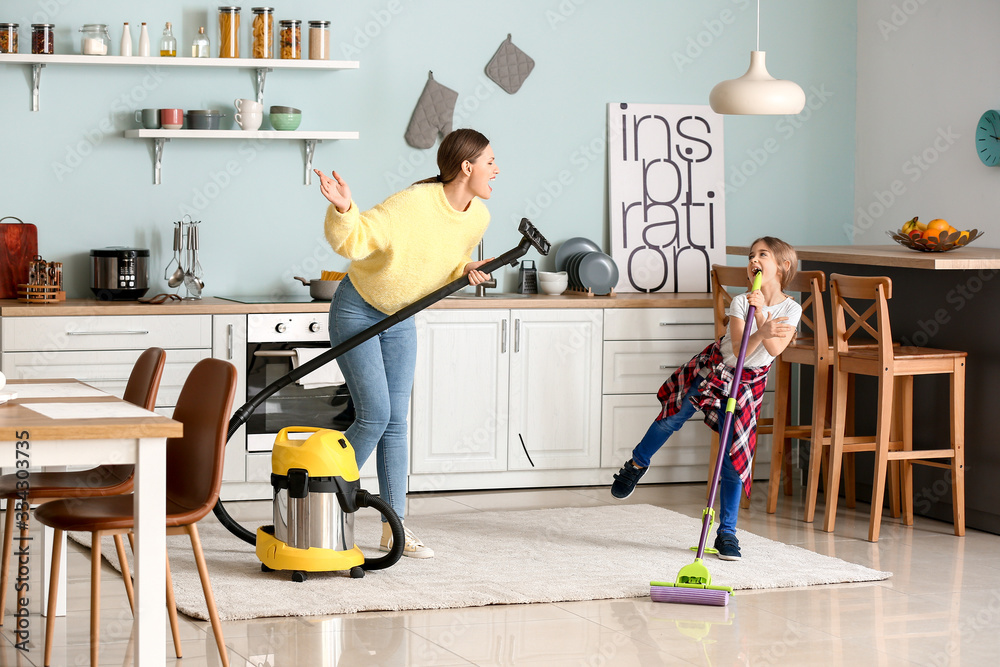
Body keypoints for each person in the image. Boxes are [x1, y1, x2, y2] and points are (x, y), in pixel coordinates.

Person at [314, 129, 499, 558]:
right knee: (375, 415)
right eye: (490, 162)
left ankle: (393, 528)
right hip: (358, 309)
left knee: (396, 422)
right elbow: (355, 240)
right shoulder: (412, 204)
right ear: (467, 167)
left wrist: (466, 267)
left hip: (400, 317)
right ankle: (323, 501)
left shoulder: (479, 217)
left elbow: (440, 261)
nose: (497, 170)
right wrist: (344, 207)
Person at [610, 237, 801, 561]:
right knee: (673, 416)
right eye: (751, 255)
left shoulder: (791, 308)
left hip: (747, 384)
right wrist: (757, 321)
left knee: (733, 456)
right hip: (716, 368)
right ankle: (636, 464)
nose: (754, 260)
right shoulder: (741, 301)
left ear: (783, 265)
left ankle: (727, 533)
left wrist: (764, 317)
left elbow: (774, 350)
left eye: (762, 255)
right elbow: (742, 347)